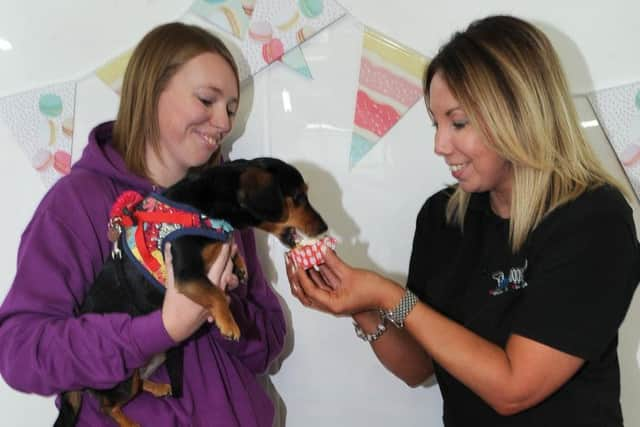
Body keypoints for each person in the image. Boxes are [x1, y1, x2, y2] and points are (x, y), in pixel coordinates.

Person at [286, 15, 640, 426]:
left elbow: (514, 388)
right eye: (436, 124)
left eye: (458, 122)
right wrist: (360, 305)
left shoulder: (593, 220)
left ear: (518, 113)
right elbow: (419, 365)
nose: (439, 144)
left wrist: (387, 295)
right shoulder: (443, 217)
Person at [0, 22, 286, 426]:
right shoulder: (77, 204)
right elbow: (21, 353)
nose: (223, 122)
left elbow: (268, 343)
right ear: (150, 92)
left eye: (232, 108)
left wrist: (222, 304)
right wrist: (160, 328)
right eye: (207, 100)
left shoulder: (223, 210)